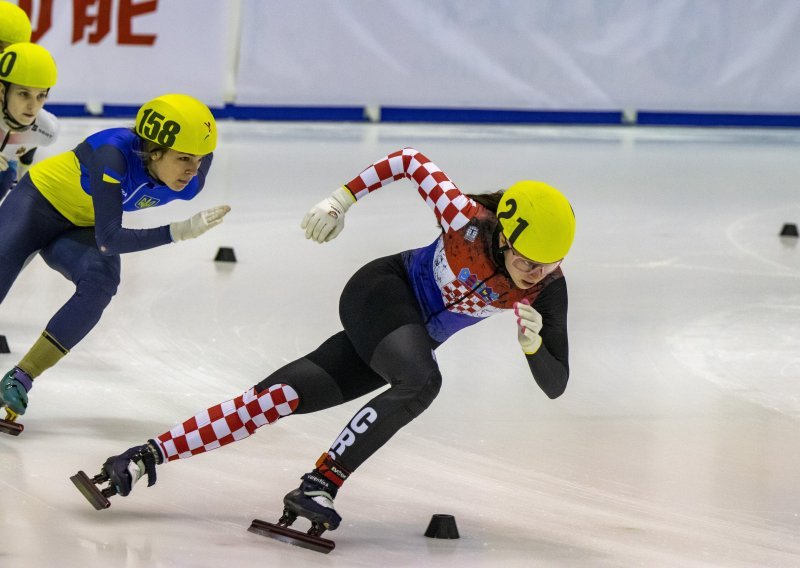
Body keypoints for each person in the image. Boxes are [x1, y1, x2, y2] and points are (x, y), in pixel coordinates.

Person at [81, 147, 574, 535]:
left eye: (549, 264)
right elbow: (408, 160)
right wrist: (342, 199)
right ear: (506, 235)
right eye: (529, 260)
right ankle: (321, 482)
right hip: (381, 293)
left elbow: (556, 384)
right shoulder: (465, 218)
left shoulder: (548, 289)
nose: (536, 274)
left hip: (402, 339)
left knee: (275, 400)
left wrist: (533, 347)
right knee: (421, 381)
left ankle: (143, 456)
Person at [0, 93, 231, 424]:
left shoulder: (190, 181)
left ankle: (20, 377)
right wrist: (177, 231)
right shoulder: (113, 153)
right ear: (155, 151)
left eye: (199, 160)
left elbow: (102, 240)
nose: (193, 171)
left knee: (101, 283)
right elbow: (109, 240)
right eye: (183, 159)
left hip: (81, 227)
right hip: (36, 205)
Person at [0, 42, 60, 203]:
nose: (32, 106)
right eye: (23, 94)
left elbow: (32, 143)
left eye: (41, 96)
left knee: (5, 178)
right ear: (2, 91)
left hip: (7, 165)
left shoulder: (48, 129)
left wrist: (24, 166)